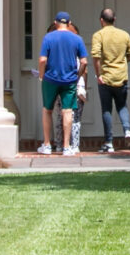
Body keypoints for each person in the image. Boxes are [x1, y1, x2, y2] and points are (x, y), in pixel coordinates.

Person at [35, 10, 90, 156]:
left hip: (50, 79)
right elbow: (84, 62)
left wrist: (41, 75)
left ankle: (47, 145)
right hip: (69, 80)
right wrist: (78, 75)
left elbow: (42, 60)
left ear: (55, 23)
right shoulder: (77, 39)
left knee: (47, 110)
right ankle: (66, 146)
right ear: (69, 23)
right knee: (68, 111)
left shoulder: (48, 37)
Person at [89, 6, 130, 153]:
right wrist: (121, 62)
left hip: (106, 78)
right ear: (114, 20)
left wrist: (98, 75)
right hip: (121, 76)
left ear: (101, 20)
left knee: (107, 109)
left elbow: (96, 57)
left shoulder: (98, 35)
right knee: (122, 106)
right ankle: (127, 131)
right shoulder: (124, 35)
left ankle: (109, 142)